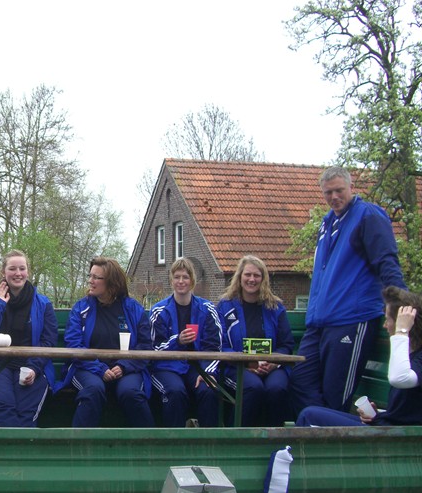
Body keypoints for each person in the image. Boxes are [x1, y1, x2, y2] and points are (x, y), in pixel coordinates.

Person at [290, 167, 406, 416]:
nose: (334, 197)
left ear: (351, 187)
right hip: (319, 322)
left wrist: (400, 304)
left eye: (339, 191)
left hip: (351, 319)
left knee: (336, 394)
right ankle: (321, 424)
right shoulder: (327, 223)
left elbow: (386, 261)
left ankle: (332, 432)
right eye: (328, 193)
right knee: (300, 380)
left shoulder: (367, 216)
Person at [296, 286, 422, 427]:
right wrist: (378, 414)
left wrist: (401, 332)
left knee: (309, 417)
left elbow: (399, 378)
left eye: (388, 320)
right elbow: (405, 413)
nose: (385, 325)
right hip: (386, 426)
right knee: (311, 413)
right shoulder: (408, 356)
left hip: (397, 436)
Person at [55, 257, 153, 428]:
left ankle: (150, 441)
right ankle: (79, 442)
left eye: (96, 277)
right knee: (93, 390)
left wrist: (124, 366)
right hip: (87, 367)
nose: (90, 281)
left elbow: (145, 346)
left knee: (131, 392)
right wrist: (99, 368)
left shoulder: (132, 309)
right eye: (90, 276)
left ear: (111, 282)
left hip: (126, 369)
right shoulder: (81, 309)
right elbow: (73, 345)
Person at [0, 249, 57, 427]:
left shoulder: (43, 304)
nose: (18, 273)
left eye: (22, 268)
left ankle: (25, 445)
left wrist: (34, 368)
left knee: (26, 411)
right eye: (12, 269)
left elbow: (48, 341)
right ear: (3, 272)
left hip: (31, 365)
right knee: (3, 407)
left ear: (28, 272)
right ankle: (5, 445)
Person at [217, 255, 294, 426]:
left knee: (276, 389)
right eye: (247, 274)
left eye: (256, 275)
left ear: (263, 279)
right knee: (254, 388)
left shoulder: (275, 307)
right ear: (240, 277)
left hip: (272, 366)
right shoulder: (225, 306)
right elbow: (220, 344)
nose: (251, 279)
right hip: (236, 367)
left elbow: (287, 344)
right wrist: (246, 363)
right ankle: (236, 435)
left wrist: (273, 362)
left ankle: (276, 437)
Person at [149, 258, 222, 427]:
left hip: (198, 366)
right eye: (177, 277)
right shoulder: (159, 311)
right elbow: (153, 348)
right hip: (167, 367)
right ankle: (174, 440)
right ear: (171, 280)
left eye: (185, 277)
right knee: (175, 392)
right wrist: (177, 340)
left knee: (209, 390)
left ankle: (209, 440)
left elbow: (214, 346)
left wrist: (208, 372)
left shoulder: (207, 309)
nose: (181, 281)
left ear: (192, 280)